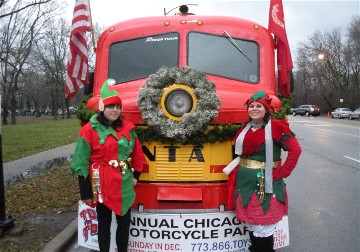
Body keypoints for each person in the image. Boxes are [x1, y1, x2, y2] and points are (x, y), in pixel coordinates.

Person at [71, 79, 147, 252]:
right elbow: (80, 162)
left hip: (124, 185)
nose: (115, 110)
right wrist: (86, 192)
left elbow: (137, 154)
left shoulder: (128, 129)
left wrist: (136, 175)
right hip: (101, 185)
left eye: (117, 107)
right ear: (102, 108)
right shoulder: (88, 131)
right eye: (110, 107)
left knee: (124, 225)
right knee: (104, 226)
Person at [223, 91, 302, 252]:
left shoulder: (277, 127)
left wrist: (283, 172)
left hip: (264, 185)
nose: (254, 109)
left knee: (263, 226)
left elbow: (296, 150)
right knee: (252, 225)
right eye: (251, 106)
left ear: (267, 109)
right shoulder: (245, 128)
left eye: (259, 106)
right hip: (245, 184)